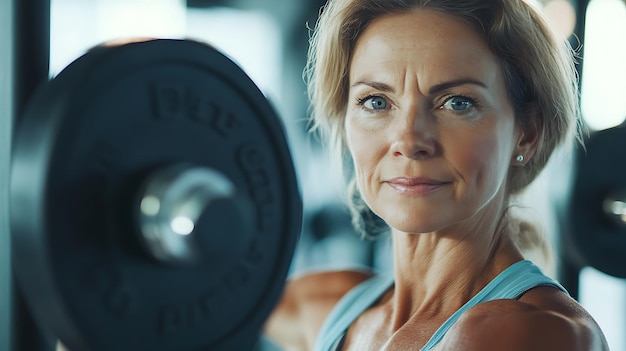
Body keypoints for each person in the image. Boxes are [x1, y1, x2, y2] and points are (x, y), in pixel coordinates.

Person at [264, 0, 610, 350]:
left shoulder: (528, 333)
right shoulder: (327, 307)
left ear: (527, 132)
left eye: (457, 102)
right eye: (376, 102)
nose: (409, 141)